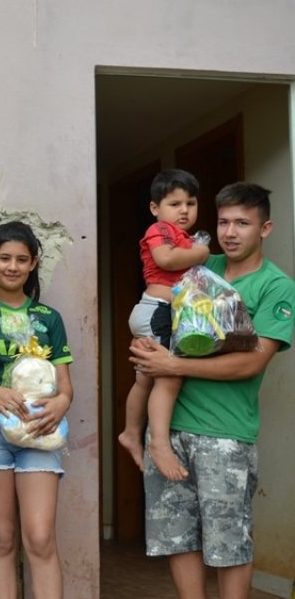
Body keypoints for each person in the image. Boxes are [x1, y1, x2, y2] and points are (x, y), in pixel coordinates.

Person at [129, 182, 294, 599]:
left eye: (243, 223)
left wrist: (172, 364)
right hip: (169, 429)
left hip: (226, 433)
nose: (231, 232)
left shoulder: (275, 286)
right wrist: (150, 347)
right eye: (223, 222)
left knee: (229, 544)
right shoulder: (198, 266)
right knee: (176, 537)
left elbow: (252, 361)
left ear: (265, 228)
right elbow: (161, 309)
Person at [0, 221, 75, 599]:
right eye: (5, 258)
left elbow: (65, 386)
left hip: (41, 432)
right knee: (0, 539)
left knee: (41, 539)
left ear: (33, 264)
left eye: (21, 260)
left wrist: (61, 402)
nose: (12, 267)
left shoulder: (49, 318)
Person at [117, 169, 210, 481]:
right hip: (158, 311)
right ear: (156, 208)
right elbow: (167, 260)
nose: (184, 210)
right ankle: (158, 443)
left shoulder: (184, 236)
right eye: (174, 203)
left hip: (160, 312)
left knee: (146, 379)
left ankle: (131, 433)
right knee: (169, 376)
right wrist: (200, 253)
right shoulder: (161, 231)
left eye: (190, 203)